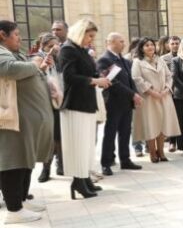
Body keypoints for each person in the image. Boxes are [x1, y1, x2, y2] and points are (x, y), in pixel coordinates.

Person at [0, 20, 53, 223]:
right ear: (2, 35)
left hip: (25, 121)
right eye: (16, 35)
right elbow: (8, 69)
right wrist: (34, 64)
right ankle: (14, 210)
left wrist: (41, 67)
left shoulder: (14, 52)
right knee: (13, 162)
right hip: (12, 121)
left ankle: (21, 199)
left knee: (24, 161)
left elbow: (27, 71)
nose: (19, 38)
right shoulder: (2, 53)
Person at [59, 19, 110, 199]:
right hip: (75, 104)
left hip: (87, 103)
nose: (91, 40)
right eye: (89, 36)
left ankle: (85, 177)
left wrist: (102, 78)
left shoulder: (81, 50)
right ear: (80, 33)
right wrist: (95, 81)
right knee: (78, 145)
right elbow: (69, 76)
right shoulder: (67, 49)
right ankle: (78, 181)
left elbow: (89, 73)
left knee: (87, 145)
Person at [97, 33, 143, 176]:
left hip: (126, 103)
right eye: (121, 41)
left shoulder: (124, 60)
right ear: (111, 42)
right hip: (113, 102)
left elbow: (130, 80)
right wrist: (132, 94)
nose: (124, 44)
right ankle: (106, 163)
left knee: (125, 132)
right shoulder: (104, 60)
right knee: (110, 133)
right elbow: (112, 83)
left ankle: (125, 159)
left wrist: (135, 94)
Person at [131, 37, 181, 163]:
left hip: (164, 97)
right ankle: (152, 152)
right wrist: (151, 92)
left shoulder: (160, 60)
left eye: (152, 45)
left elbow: (170, 76)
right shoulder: (138, 62)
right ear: (142, 48)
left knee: (163, 124)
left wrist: (166, 90)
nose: (150, 47)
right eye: (147, 45)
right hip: (148, 98)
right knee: (151, 124)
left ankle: (161, 151)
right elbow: (137, 79)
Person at [34, 33, 64, 183]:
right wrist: (44, 65)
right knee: (49, 138)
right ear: (42, 46)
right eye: (50, 46)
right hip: (44, 102)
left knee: (59, 136)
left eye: (55, 45)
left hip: (59, 102)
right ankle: (46, 169)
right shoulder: (38, 59)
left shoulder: (60, 59)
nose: (53, 49)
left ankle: (61, 164)